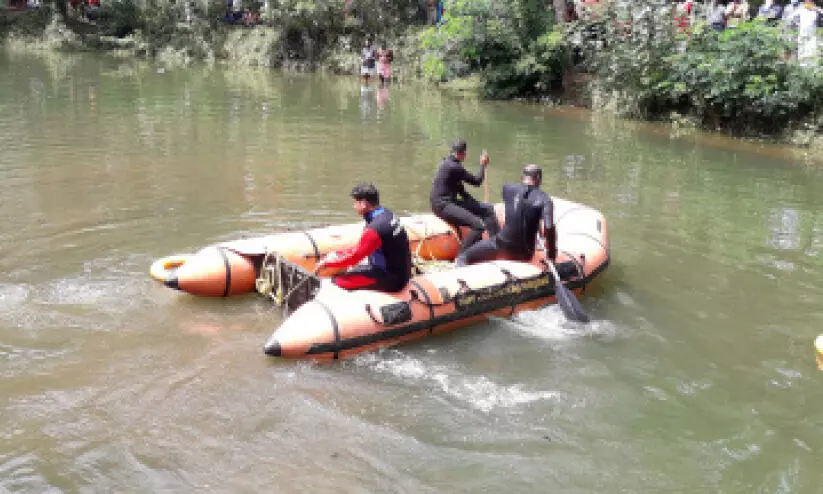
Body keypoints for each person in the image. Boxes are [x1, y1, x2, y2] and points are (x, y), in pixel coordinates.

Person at [315, 183, 412, 292]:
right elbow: (362, 249)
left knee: (336, 282)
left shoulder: (375, 229)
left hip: (392, 280)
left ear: (364, 204)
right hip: (402, 273)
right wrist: (338, 255)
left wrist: (327, 263)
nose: (354, 206)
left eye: (355, 203)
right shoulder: (386, 213)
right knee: (351, 271)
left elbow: (354, 258)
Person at [456, 164, 557, 268]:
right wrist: (551, 255)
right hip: (525, 253)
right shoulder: (545, 199)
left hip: (502, 245)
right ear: (539, 179)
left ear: (522, 177)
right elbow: (549, 227)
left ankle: (461, 278)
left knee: (463, 257)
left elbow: (515, 208)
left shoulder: (507, 188)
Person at [430, 139, 500, 256]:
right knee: (478, 226)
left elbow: (462, 193)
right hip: (443, 205)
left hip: (446, 203)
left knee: (487, 209)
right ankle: (461, 256)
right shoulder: (454, 167)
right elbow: (477, 181)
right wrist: (482, 165)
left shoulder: (448, 163)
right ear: (463, 153)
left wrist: (477, 206)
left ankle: (496, 245)